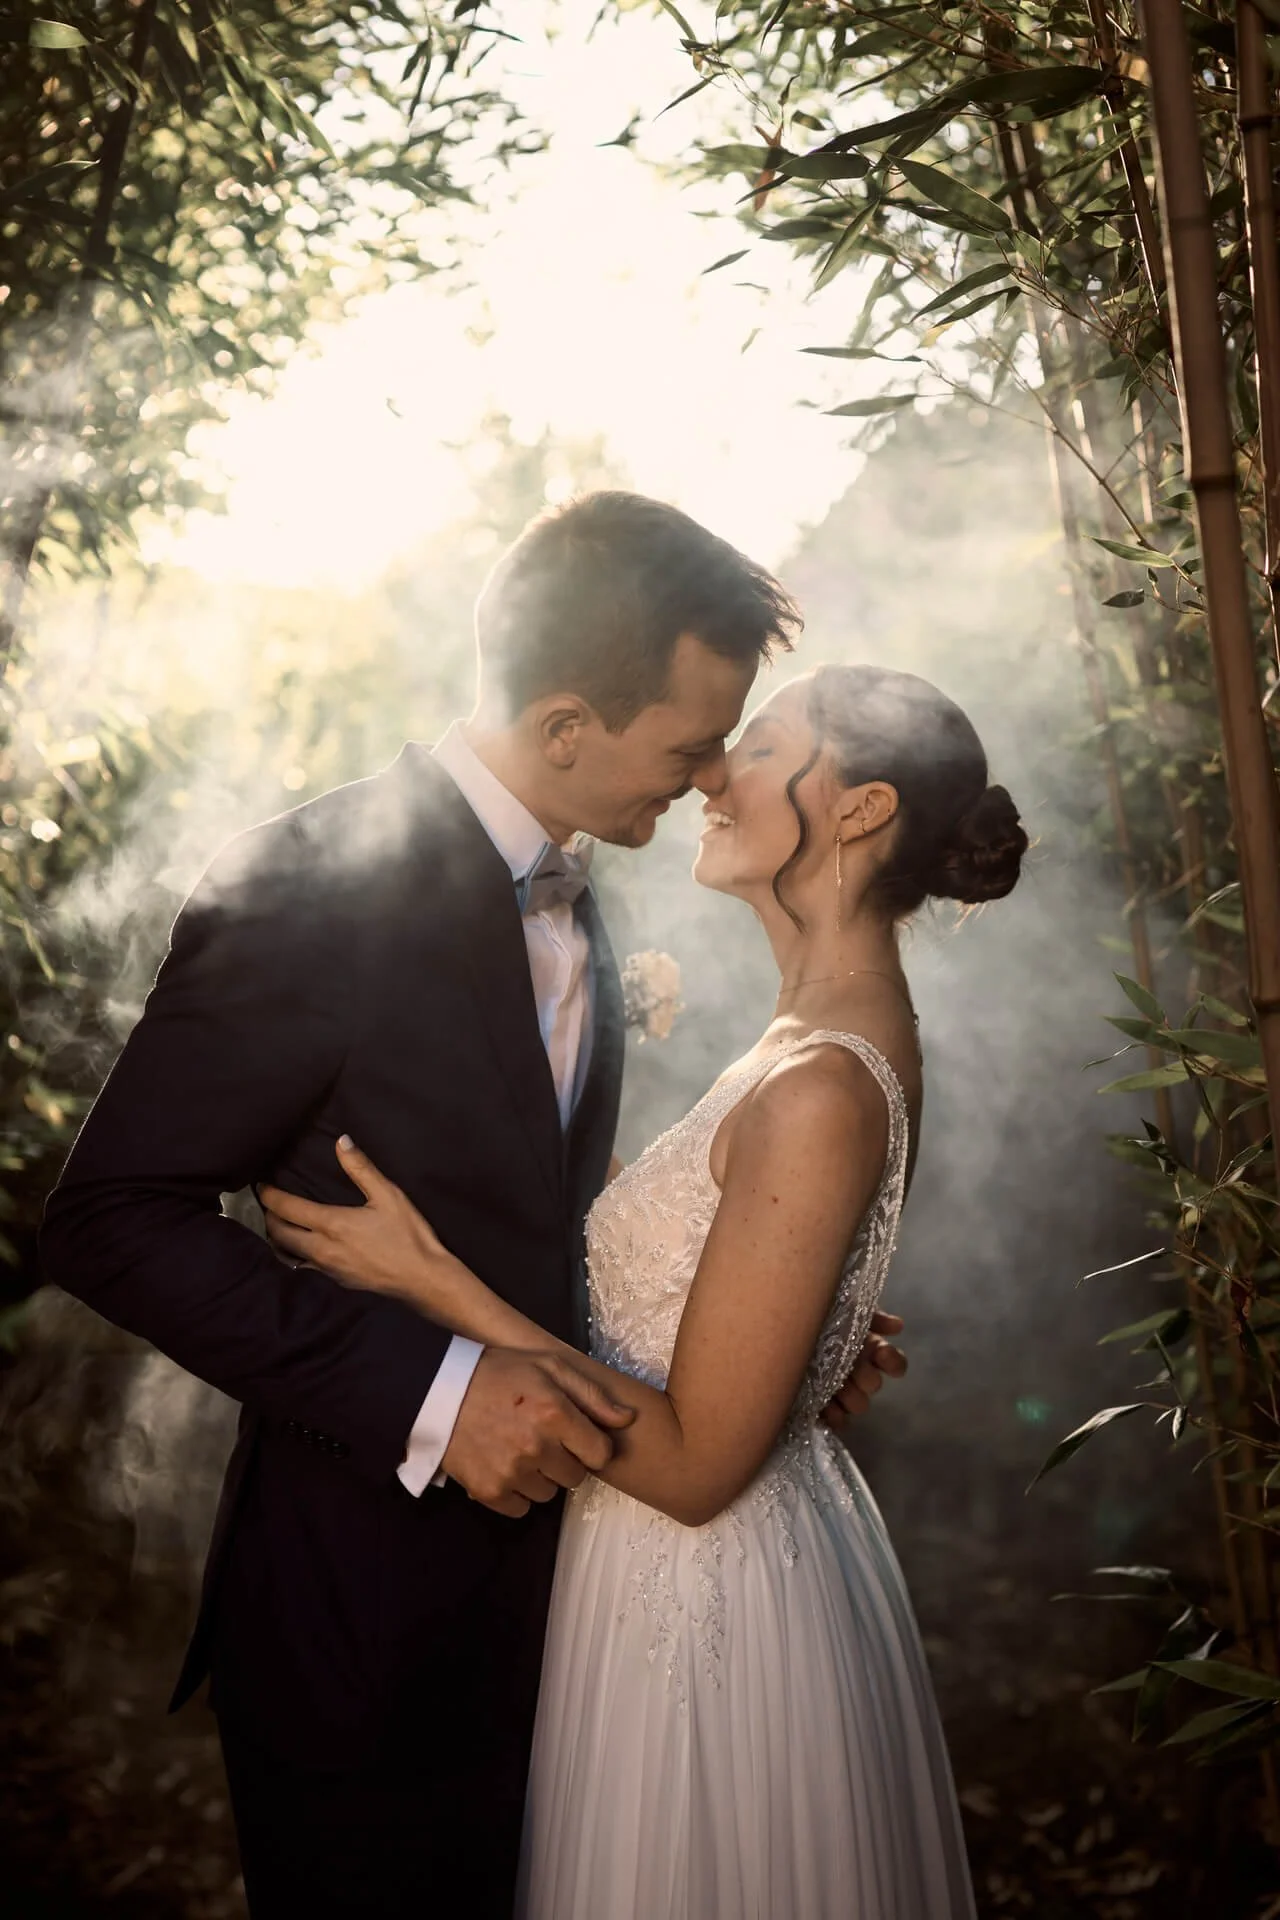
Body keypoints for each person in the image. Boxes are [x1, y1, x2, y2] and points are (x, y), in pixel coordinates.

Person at [38, 494, 905, 1919]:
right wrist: (439, 1394)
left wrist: (761, 1322)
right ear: (568, 727)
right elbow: (111, 1216)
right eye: (690, 747)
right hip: (365, 1626)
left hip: (590, 1610)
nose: (704, 785)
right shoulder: (307, 888)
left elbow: (527, 1213)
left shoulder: (585, 884)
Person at [260, 661, 1027, 1920]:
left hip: (708, 1596)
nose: (713, 773)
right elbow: (682, 1271)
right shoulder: (803, 1036)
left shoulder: (822, 1082)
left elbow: (689, 1466)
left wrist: (432, 1279)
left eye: (761, 747)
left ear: (857, 808)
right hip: (657, 1578)